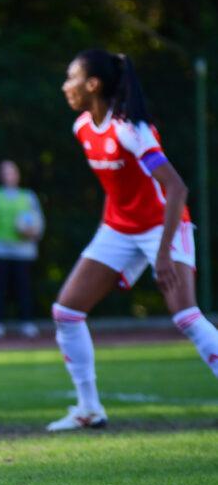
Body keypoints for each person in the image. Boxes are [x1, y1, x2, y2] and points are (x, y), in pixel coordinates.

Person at [49, 49, 218, 431]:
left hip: (164, 226)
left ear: (92, 85)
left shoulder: (130, 129)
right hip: (118, 229)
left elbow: (176, 189)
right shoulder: (82, 128)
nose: (65, 86)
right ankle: (89, 409)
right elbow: (118, 188)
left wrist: (161, 255)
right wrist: (110, 235)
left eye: (70, 78)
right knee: (67, 312)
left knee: (186, 316)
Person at [0, 160, 44, 339]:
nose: (9, 176)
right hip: (0, 251)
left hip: (23, 252)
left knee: (24, 288)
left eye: (12, 172)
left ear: (18, 175)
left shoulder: (28, 196)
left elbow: (38, 222)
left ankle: (27, 322)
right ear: (0, 176)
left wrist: (34, 234)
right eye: (5, 173)